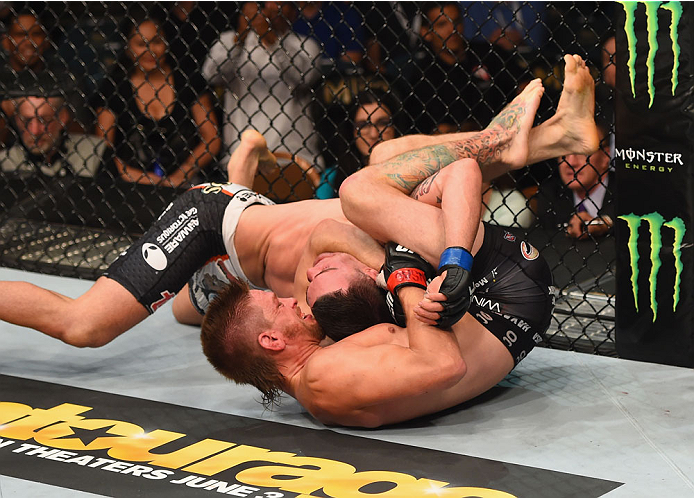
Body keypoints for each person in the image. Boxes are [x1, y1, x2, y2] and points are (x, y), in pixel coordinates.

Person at [0, 55, 598, 348]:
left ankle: (544, 138)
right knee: (86, 326)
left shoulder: (404, 240)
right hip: (211, 218)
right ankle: (538, 140)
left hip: (238, 229)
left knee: (389, 161)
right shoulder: (402, 238)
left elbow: (456, 182)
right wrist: (438, 272)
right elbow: (456, 182)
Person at [199, 79, 554, 427]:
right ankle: (501, 146)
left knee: (384, 158)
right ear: (271, 340)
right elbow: (445, 365)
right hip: (502, 296)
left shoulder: (312, 341)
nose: (290, 300)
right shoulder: (322, 378)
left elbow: (325, 234)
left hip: (480, 295)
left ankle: (527, 141)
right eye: (278, 306)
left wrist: (385, 266)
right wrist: (404, 270)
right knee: (359, 190)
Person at [93, 10, 220, 188]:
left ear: (167, 43)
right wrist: (148, 181)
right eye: (141, 44)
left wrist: (182, 174)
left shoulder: (188, 79)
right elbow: (102, 149)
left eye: (156, 42)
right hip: (128, 186)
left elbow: (212, 138)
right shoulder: (114, 87)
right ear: (128, 46)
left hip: (187, 184)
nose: (150, 50)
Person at [202, 1, 323, 172]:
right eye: (265, 4)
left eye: (280, 4)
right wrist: (241, 36)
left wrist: (272, 39)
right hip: (241, 154)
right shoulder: (229, 40)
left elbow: (304, 77)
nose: (271, 9)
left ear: (293, 13)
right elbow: (211, 74)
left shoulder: (305, 45)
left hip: (294, 155)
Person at [400, 1, 526, 134]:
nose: (452, 29)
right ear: (426, 32)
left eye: (456, 21)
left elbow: (525, 84)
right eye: (442, 24)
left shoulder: (488, 53)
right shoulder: (423, 75)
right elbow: (437, 132)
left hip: (509, 132)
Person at [533, 119, 613, 239]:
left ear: (606, 156)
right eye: (564, 151)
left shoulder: (627, 190)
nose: (570, 162)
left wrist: (606, 223)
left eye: (582, 151)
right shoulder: (550, 194)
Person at [315, 89, 400, 199]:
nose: (374, 134)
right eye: (363, 125)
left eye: (382, 123)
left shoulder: (412, 170)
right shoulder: (332, 177)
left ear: (395, 127)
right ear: (352, 131)